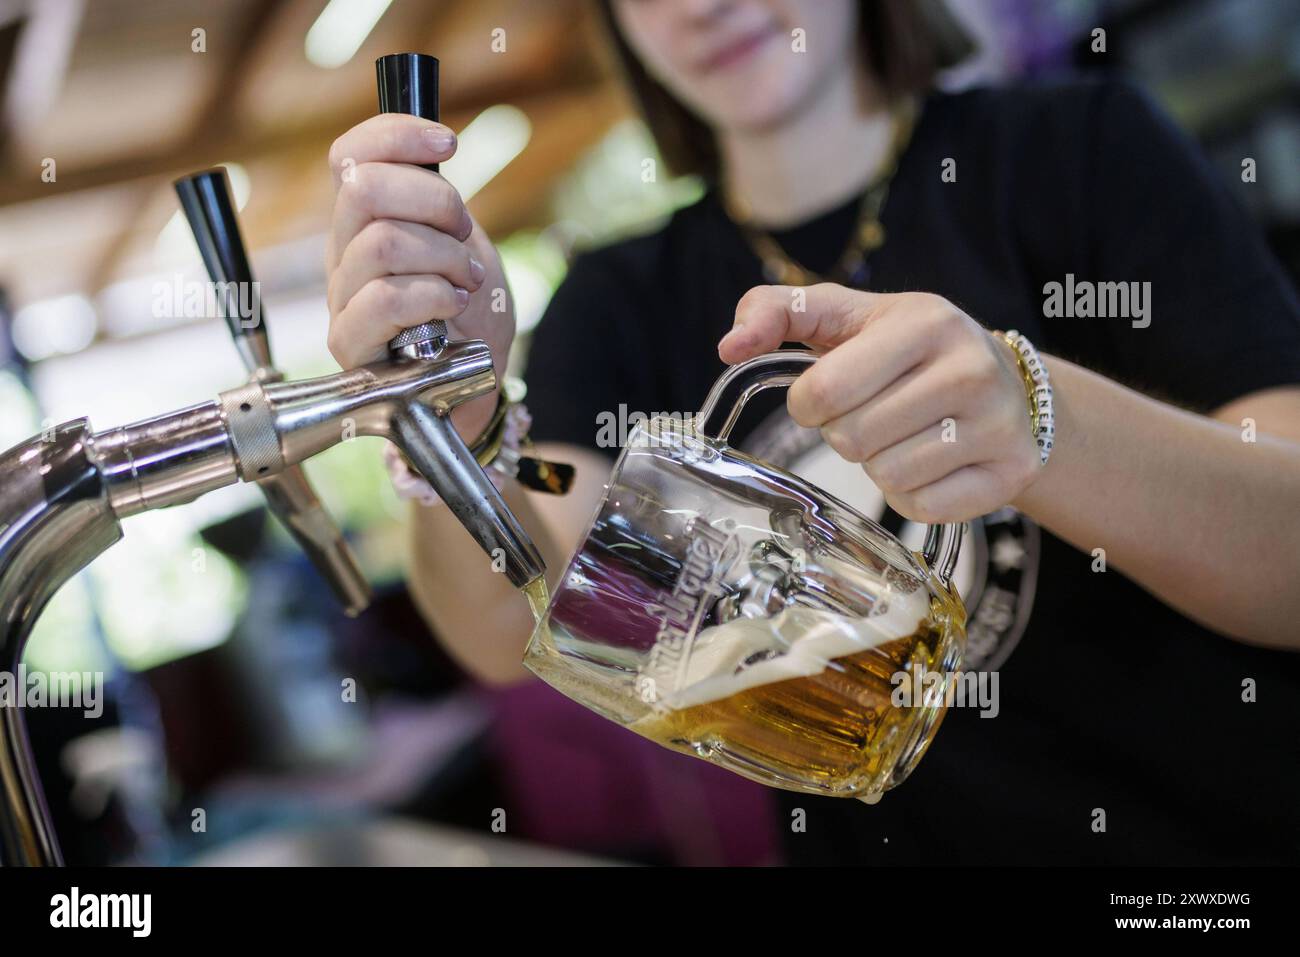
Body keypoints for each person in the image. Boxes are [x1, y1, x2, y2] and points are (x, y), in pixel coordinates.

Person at [323, 0, 1300, 864]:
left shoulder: (1078, 150)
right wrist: (463, 423)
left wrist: (1037, 421)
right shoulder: (617, 300)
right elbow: (524, 609)